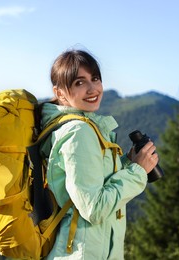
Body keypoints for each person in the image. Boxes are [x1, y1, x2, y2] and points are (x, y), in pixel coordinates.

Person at [38, 49, 159, 259]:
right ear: (60, 93)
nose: (93, 88)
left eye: (95, 78)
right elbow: (94, 209)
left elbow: (91, 182)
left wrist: (128, 161)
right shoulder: (78, 132)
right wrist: (138, 171)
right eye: (79, 82)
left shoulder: (74, 127)